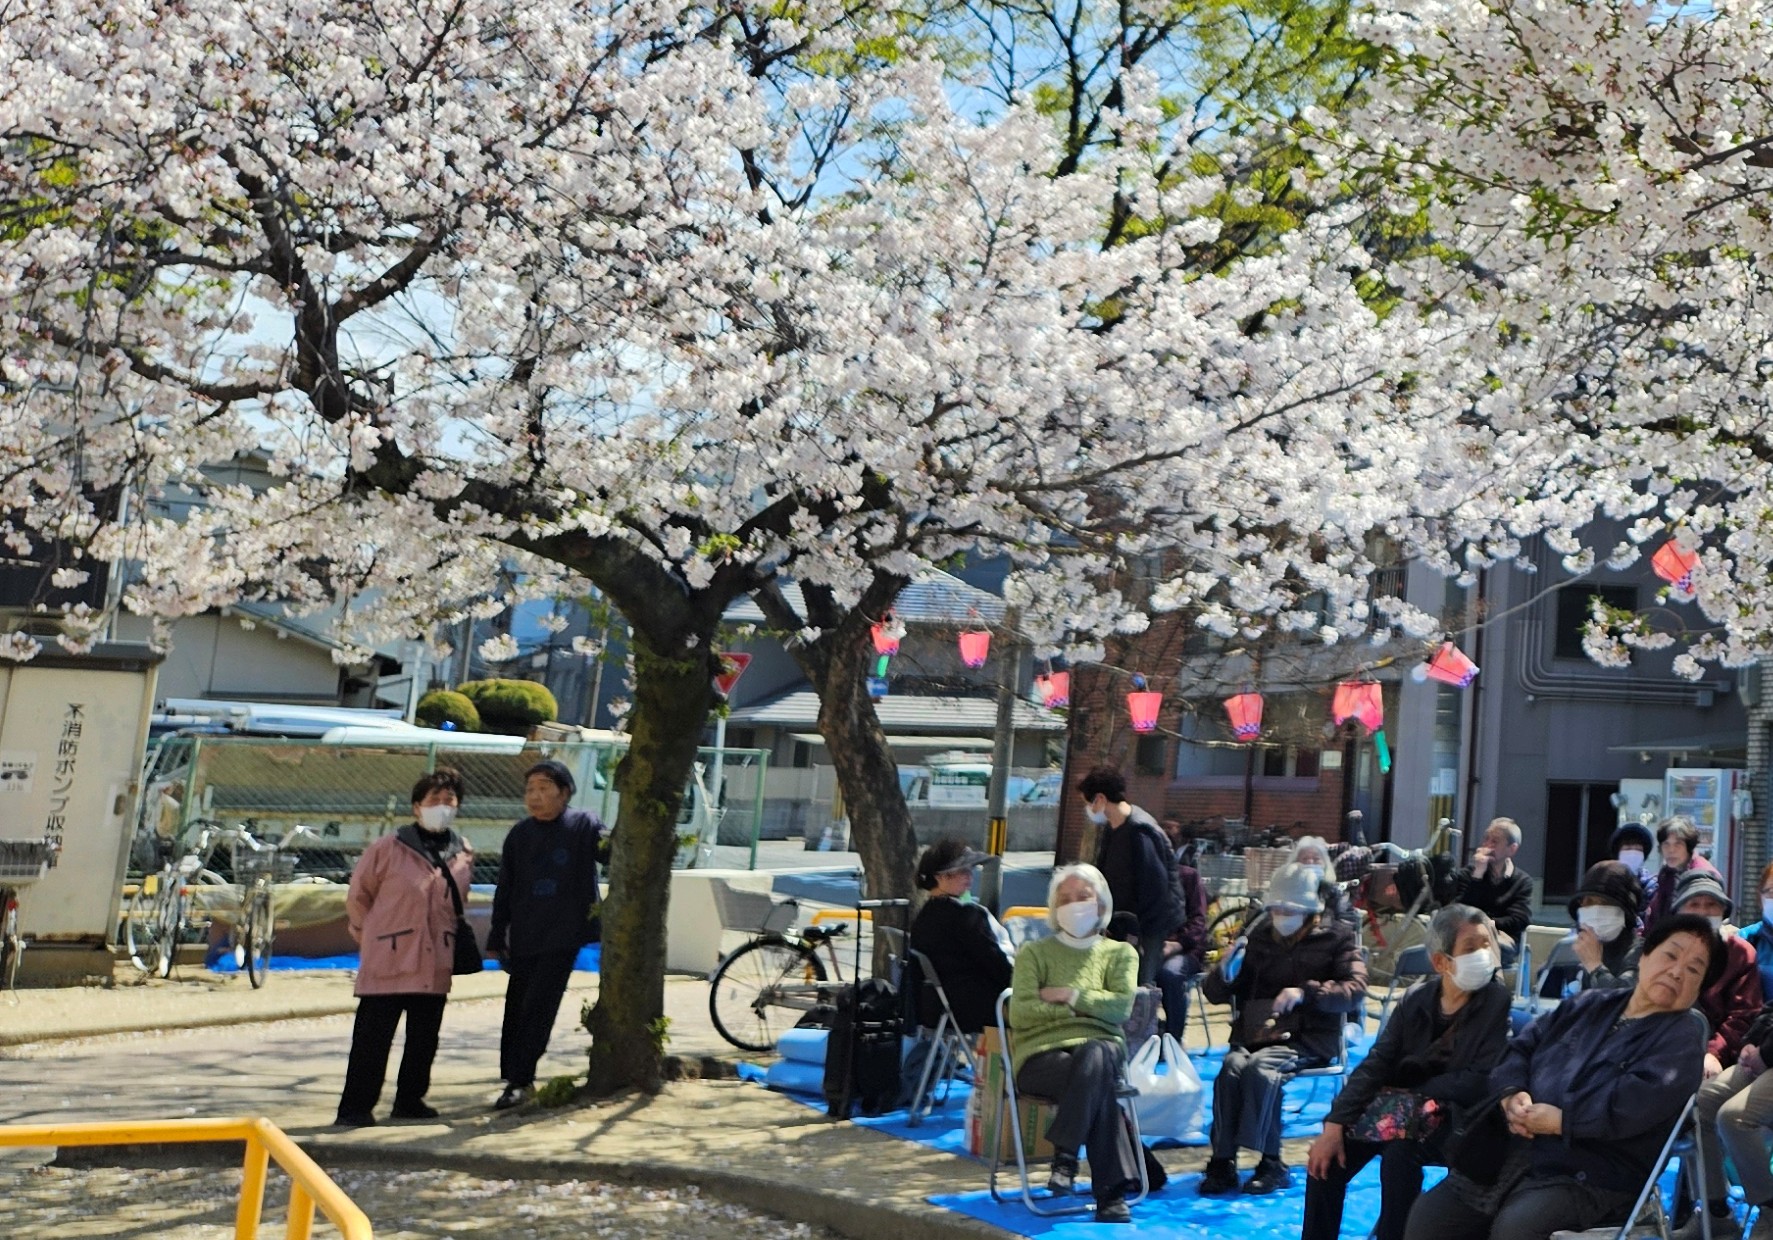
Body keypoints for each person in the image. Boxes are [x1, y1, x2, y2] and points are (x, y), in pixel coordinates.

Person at [1402, 915, 1720, 1240]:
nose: (1677, 972)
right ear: (1644, 956)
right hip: (1517, 1147)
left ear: (1699, 987)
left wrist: (1562, 1121)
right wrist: (1512, 1093)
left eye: (1693, 969)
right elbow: (1519, 1049)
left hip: (1595, 1171)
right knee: (1430, 1218)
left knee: (1517, 1228)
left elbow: (1632, 1106)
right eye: (1670, 955)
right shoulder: (1589, 1004)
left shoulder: (1681, 1041)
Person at [1303, 905, 1511, 1240]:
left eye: (1486, 945)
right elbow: (1376, 1063)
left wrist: (1421, 1091)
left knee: (1400, 1154)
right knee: (1326, 1159)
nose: (1483, 955)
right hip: (1401, 1112)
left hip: (1459, 1118)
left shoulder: (1495, 1001)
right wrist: (1334, 1124)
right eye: (1471, 948)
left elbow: (1480, 1078)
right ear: (1441, 962)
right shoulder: (1416, 1000)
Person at [1199, 861, 1367, 1197]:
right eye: (1275, 908)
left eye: (1289, 909)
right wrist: (1225, 971)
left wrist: (1306, 992)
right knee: (1231, 1068)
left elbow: (1355, 988)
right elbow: (1215, 993)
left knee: (1263, 1069)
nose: (1281, 915)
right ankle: (1222, 1159)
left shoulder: (1337, 938)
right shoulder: (1258, 938)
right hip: (1259, 1032)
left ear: (1309, 910)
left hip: (1310, 1035)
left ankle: (1270, 1161)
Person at [335, 767, 474, 1127]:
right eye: (434, 799)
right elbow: (358, 897)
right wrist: (370, 937)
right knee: (372, 1038)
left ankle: (410, 1100)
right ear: (416, 807)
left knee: (424, 1038)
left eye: (449, 800)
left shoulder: (463, 852)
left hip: (436, 958)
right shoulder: (387, 848)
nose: (442, 806)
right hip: (388, 958)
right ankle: (355, 1107)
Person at [1008, 863, 1142, 1225]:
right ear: (1054, 907)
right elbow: (1020, 1013)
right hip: (1041, 1056)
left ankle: (1065, 1156)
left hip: (1102, 1048)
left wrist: (1068, 994)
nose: (1074, 905)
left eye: (1083, 896)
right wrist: (1078, 1011)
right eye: (1064, 899)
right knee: (1098, 1083)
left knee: (1095, 1054)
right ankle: (1110, 1196)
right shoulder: (1034, 953)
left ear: (1101, 903)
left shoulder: (1120, 954)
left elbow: (1120, 1008)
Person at [486, 759, 605, 1110]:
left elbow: (613, 853)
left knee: (539, 1005)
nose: (535, 796)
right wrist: (497, 934)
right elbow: (505, 888)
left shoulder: (583, 825)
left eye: (543, 788)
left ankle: (521, 1079)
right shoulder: (519, 835)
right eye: (530, 790)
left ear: (564, 793)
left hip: (564, 933)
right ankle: (514, 1075)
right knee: (517, 1005)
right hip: (525, 931)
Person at [1079, 766, 1184, 986]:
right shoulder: (1113, 828)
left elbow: (1155, 889)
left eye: (1089, 803)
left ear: (1100, 799)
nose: (1088, 809)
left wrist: (1140, 936)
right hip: (1123, 923)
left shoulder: (1141, 831)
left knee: (1137, 987)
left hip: (1147, 929)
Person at [909, 838, 1012, 1034]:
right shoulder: (967, 916)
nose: (970, 876)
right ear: (940, 877)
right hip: (976, 1009)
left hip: (936, 1009)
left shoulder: (923, 917)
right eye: (962, 871)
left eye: (970, 870)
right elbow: (997, 965)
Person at [1669, 869, 1763, 1079]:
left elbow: (1744, 1016)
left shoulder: (1740, 953)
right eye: (1694, 905)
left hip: (1719, 1058)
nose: (1703, 912)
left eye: (1711, 905)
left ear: (1723, 912)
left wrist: (1714, 1053)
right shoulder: (1662, 953)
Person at [1538, 860, 1643, 998]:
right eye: (1588, 903)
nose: (1595, 910)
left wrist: (1595, 966)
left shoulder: (1639, 951)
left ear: (1624, 912)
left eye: (1604, 903)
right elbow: (1545, 995)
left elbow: (1624, 999)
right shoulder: (1576, 947)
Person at [1445, 817, 1535, 952]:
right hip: (1467, 937)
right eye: (1486, 839)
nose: (1487, 845)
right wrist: (1477, 876)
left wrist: (1487, 924)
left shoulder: (1522, 881)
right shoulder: (1468, 874)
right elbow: (1458, 911)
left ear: (1512, 849)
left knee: (1481, 948)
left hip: (1502, 939)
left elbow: (1519, 919)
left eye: (1495, 841)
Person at [1156, 849, 1209, 1038]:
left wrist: (1176, 944)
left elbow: (1199, 922)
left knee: (1170, 973)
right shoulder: (1140, 879)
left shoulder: (1189, 877)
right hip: (1150, 947)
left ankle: (1173, 1037)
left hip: (1186, 950)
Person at [1644, 816, 1722, 927]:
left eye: (1678, 844)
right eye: (1666, 844)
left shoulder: (1705, 876)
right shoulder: (1667, 874)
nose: (1671, 850)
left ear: (1689, 847)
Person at [1289, 835, 1358, 931]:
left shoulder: (1336, 894)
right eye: (1304, 859)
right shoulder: (1285, 889)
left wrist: (1325, 933)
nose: (1310, 863)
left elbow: (1347, 923)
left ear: (1325, 865)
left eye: (1316, 859)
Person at [1610, 821, 1658, 930]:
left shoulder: (1652, 886)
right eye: (1627, 849)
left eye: (1638, 850)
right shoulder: (1606, 883)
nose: (1632, 854)